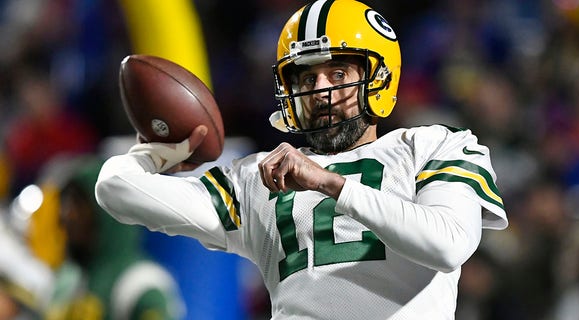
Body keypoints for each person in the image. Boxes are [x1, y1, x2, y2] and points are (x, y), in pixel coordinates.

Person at [95, 0, 508, 319]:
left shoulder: (433, 145)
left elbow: (448, 244)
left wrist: (330, 183)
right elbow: (115, 189)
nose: (321, 91)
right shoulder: (260, 176)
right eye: (307, 78)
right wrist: (161, 151)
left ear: (379, 78)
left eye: (338, 75)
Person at [47, 157, 184, 320]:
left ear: (109, 210)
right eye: (66, 203)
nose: (67, 214)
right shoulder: (65, 280)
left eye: (78, 203)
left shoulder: (140, 283)